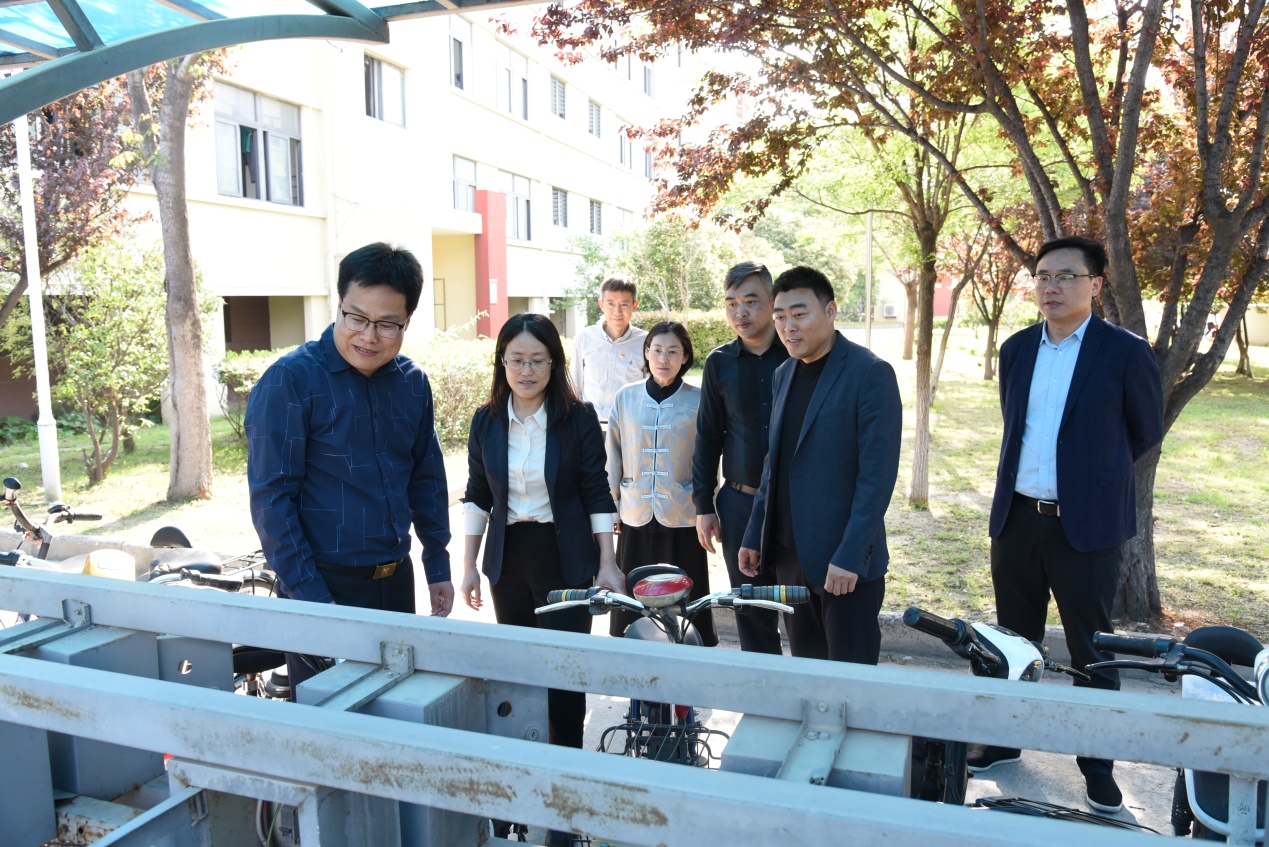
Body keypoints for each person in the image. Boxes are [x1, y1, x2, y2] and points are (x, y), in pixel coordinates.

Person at [971, 236, 1164, 815]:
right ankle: (1003, 740)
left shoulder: (1124, 351)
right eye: (1043, 276)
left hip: (1086, 528)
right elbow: (1017, 425)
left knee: (1092, 649)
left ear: (1095, 285)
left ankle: (1097, 766)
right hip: (1017, 520)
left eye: (1066, 276)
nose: (1051, 286)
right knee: (1012, 641)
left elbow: (1144, 430)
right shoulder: (1016, 349)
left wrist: (1090, 478)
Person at [246, 242, 454, 698]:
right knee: (329, 723)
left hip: (395, 582)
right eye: (355, 317)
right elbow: (272, 502)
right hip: (321, 584)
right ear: (338, 303)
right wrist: (317, 604)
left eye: (387, 324)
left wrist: (437, 562)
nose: (368, 336)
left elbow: (427, 478)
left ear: (407, 321)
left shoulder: (412, 383)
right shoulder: (290, 381)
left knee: (398, 711)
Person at [460, 313, 623, 752]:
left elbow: (596, 491)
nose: (526, 370)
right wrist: (469, 566)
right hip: (509, 561)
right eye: (517, 360)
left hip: (564, 558)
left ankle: (566, 771)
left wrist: (608, 563)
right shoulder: (486, 420)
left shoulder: (578, 418)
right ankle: (525, 764)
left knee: (564, 674)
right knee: (518, 672)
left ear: (554, 363)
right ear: (502, 362)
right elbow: (477, 494)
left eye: (538, 360)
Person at [738, 266, 902, 665]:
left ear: (830, 311)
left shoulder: (870, 373)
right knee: (807, 673)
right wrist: (755, 534)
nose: (788, 326)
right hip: (789, 558)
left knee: (851, 680)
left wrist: (851, 555)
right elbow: (773, 464)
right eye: (780, 316)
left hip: (842, 563)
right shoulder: (784, 373)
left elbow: (876, 478)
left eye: (799, 314)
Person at [693, 261, 789, 655]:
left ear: (772, 300)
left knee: (800, 608)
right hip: (739, 504)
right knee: (750, 610)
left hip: (794, 504)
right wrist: (704, 505)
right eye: (731, 303)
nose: (740, 312)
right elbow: (707, 436)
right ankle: (762, 687)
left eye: (751, 301)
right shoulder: (719, 363)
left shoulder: (797, 353)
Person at [606, 321, 718, 646]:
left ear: (685, 357)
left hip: (683, 515)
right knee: (632, 601)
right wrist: (613, 507)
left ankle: (688, 661)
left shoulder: (700, 400)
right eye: (656, 350)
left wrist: (708, 507)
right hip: (635, 513)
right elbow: (612, 454)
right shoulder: (626, 397)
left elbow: (710, 459)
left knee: (685, 603)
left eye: (672, 351)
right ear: (646, 352)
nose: (663, 358)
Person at [569, 278, 648, 425]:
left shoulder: (645, 341)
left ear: (634, 305)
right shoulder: (585, 338)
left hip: (630, 425)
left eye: (624, 304)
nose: (617, 311)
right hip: (591, 425)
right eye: (611, 304)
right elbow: (574, 385)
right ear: (601, 304)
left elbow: (649, 388)